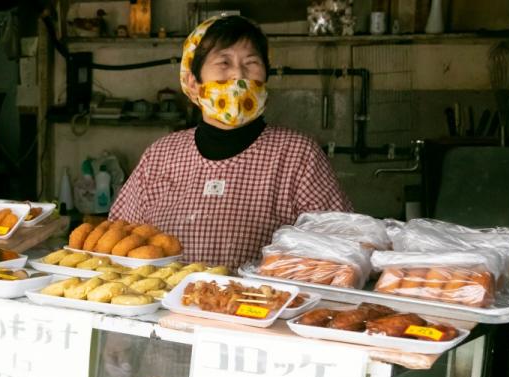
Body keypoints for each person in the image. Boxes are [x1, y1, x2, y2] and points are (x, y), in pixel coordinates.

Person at [110, 15, 352, 269]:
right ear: (193, 82)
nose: (238, 74)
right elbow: (118, 238)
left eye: (251, 62)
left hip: (260, 304)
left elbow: (341, 246)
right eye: (224, 62)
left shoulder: (297, 154)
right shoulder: (161, 155)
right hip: (166, 305)